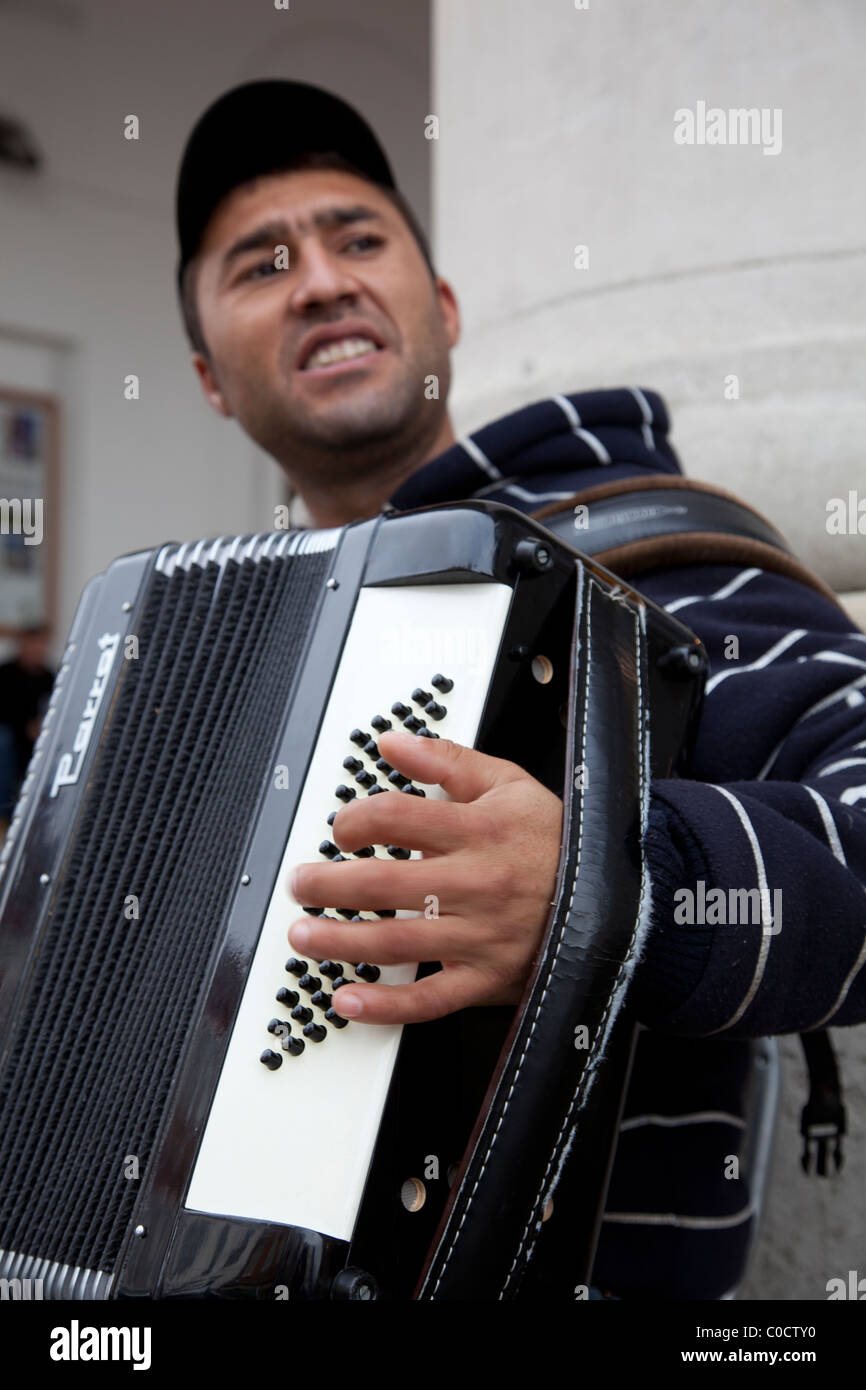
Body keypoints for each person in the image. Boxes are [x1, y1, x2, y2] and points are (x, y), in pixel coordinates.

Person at [174, 81, 866, 1299]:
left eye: (359, 237)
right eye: (259, 265)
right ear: (208, 381)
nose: (321, 280)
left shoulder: (652, 549)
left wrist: (616, 884)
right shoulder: (187, 658)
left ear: (439, 309)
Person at [0, 624, 54, 823]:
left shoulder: (48, 676)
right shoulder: (5, 673)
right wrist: (25, 727)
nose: (37, 649)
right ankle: (5, 812)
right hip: (11, 734)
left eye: (41, 644)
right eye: (33, 644)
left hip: (38, 734)